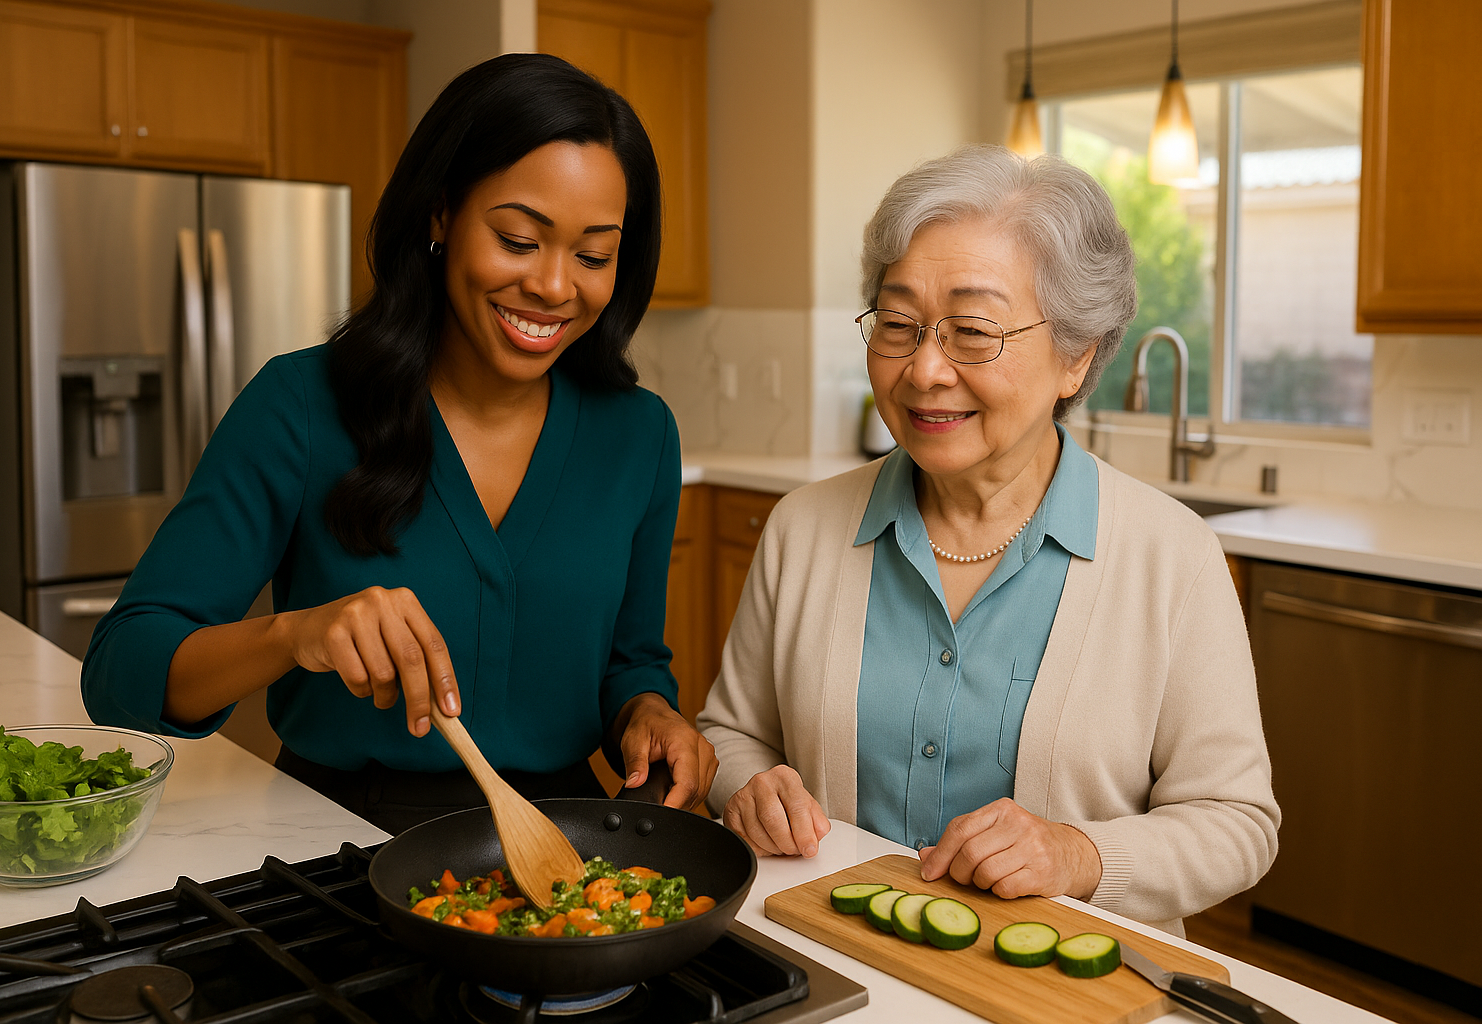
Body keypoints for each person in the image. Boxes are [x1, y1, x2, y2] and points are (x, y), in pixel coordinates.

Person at [83, 53, 716, 834]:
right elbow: (121, 670)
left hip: (568, 847)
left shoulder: (639, 434)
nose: (556, 287)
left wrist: (650, 713)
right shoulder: (301, 404)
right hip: (333, 838)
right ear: (441, 214)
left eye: (592, 255)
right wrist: (296, 633)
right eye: (519, 240)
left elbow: (631, 663)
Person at [696, 145, 1278, 935]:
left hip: (1056, 993)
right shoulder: (802, 527)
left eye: (972, 331)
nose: (925, 369)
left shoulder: (1171, 558)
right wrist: (748, 785)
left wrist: (1078, 857)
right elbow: (730, 733)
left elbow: (1237, 824)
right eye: (898, 324)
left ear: (1076, 355)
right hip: (832, 961)